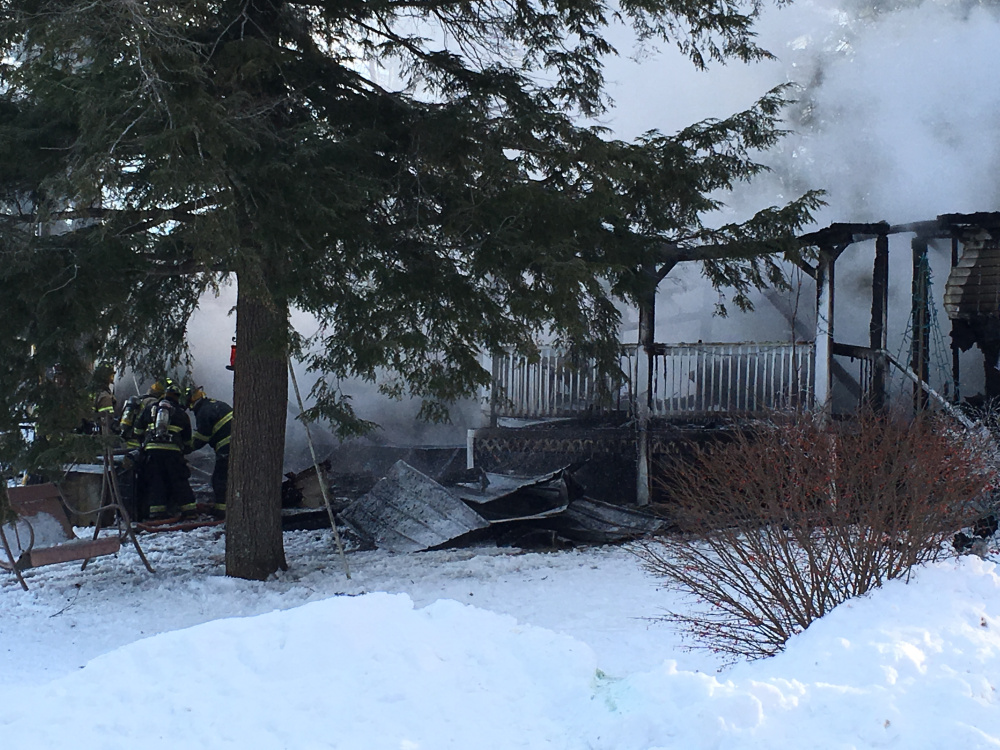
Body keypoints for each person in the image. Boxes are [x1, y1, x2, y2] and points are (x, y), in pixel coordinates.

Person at [133, 379, 197, 521]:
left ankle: (157, 513)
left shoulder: (150, 409)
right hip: (173, 453)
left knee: (156, 482)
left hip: (152, 452)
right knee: (179, 481)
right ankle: (190, 511)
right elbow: (187, 440)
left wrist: (143, 442)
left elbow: (137, 430)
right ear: (177, 397)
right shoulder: (181, 414)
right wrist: (185, 450)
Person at [187, 385, 232, 518]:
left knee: (220, 479)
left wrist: (184, 448)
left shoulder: (203, 411)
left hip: (227, 447)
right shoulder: (215, 404)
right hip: (238, 445)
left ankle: (222, 511)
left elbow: (201, 438)